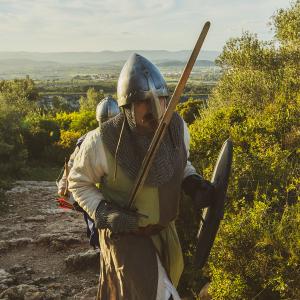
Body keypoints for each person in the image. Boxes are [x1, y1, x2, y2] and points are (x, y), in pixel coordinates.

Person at [68, 53, 214, 299]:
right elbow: (78, 183)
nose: (156, 110)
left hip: (166, 234)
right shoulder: (101, 141)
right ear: (128, 108)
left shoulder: (177, 128)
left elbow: (181, 163)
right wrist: (105, 213)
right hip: (126, 239)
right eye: (145, 103)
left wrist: (192, 183)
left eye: (160, 100)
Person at [57, 95, 120, 248]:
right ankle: (99, 253)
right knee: (96, 228)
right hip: (93, 194)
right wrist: (63, 185)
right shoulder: (88, 140)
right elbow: (73, 163)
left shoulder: (127, 139)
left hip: (116, 195)